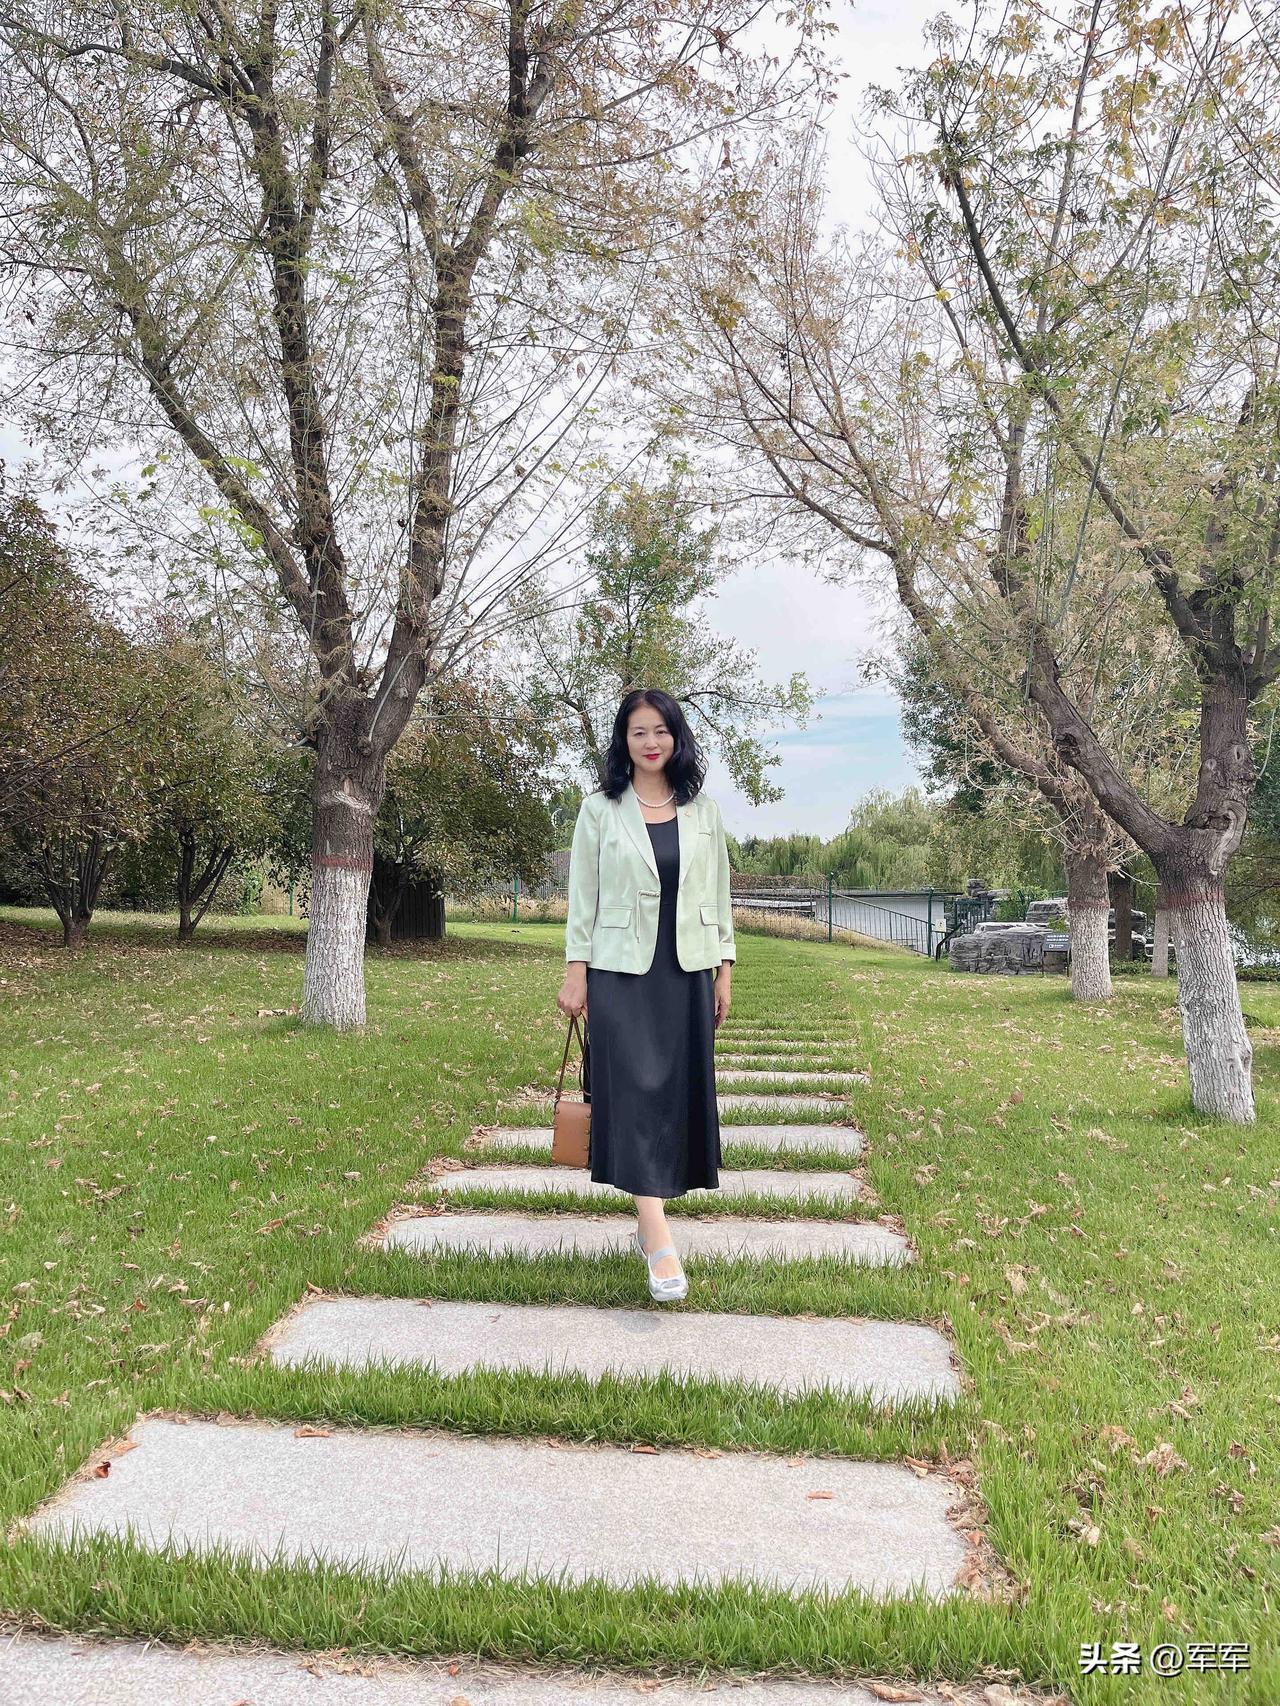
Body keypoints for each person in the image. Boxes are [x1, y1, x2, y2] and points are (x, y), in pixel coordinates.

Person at [556, 689, 736, 1303]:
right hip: (619, 970)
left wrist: (725, 969)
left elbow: (718, 894)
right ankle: (657, 1235)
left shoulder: (704, 811)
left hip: (686, 969)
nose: (651, 742)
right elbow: (583, 897)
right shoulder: (599, 811)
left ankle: (648, 1219)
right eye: (638, 732)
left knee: (672, 1093)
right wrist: (576, 970)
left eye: (660, 730)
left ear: (676, 737)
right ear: (623, 741)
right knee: (631, 1092)